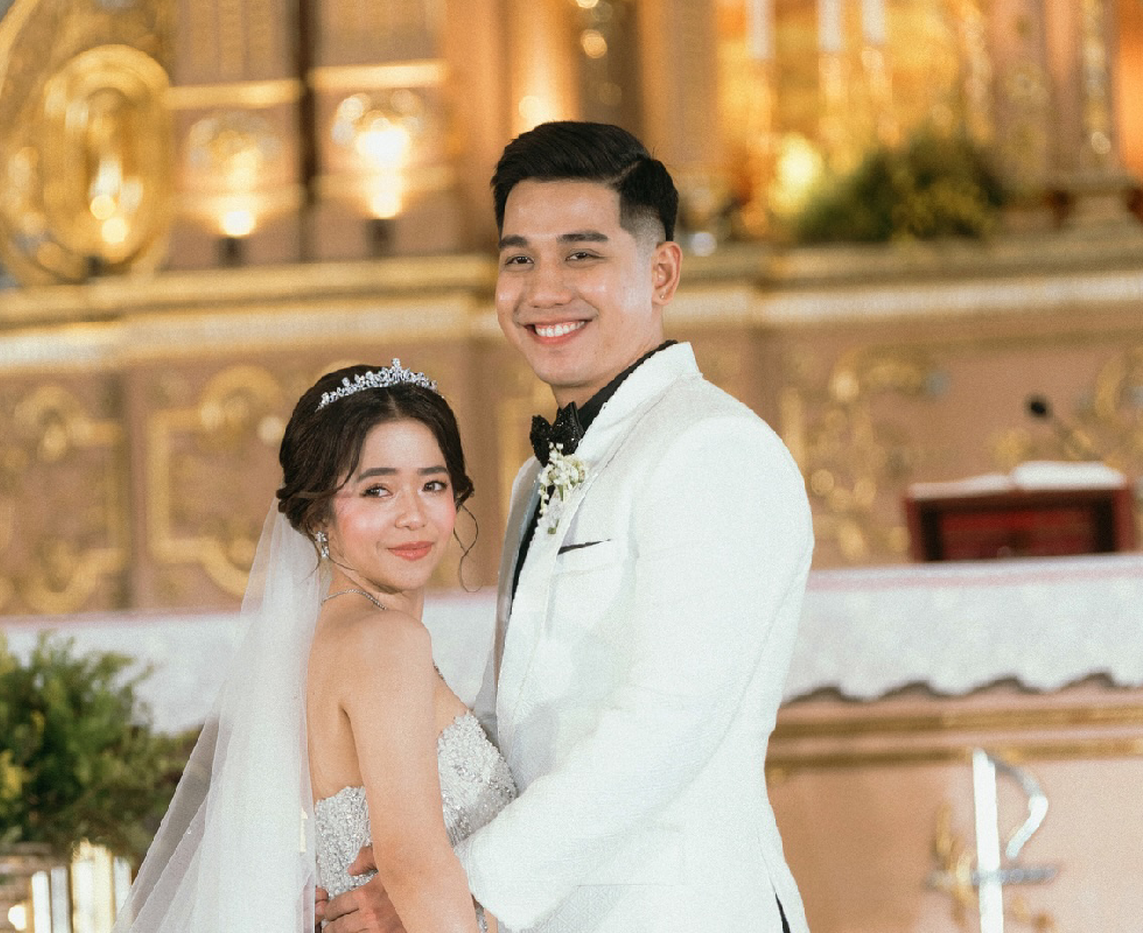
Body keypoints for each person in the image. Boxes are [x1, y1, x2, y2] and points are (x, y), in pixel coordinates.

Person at [319, 122, 814, 932]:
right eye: (519, 259)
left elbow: (667, 720)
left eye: (581, 255)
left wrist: (459, 888)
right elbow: (521, 722)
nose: (543, 290)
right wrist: (397, 863)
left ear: (661, 272)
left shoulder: (713, 448)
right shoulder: (537, 477)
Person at [112, 360, 515, 933]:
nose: (413, 515)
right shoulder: (386, 641)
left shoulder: (320, 642)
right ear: (318, 514)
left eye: (433, 484)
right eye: (377, 490)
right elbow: (414, 867)